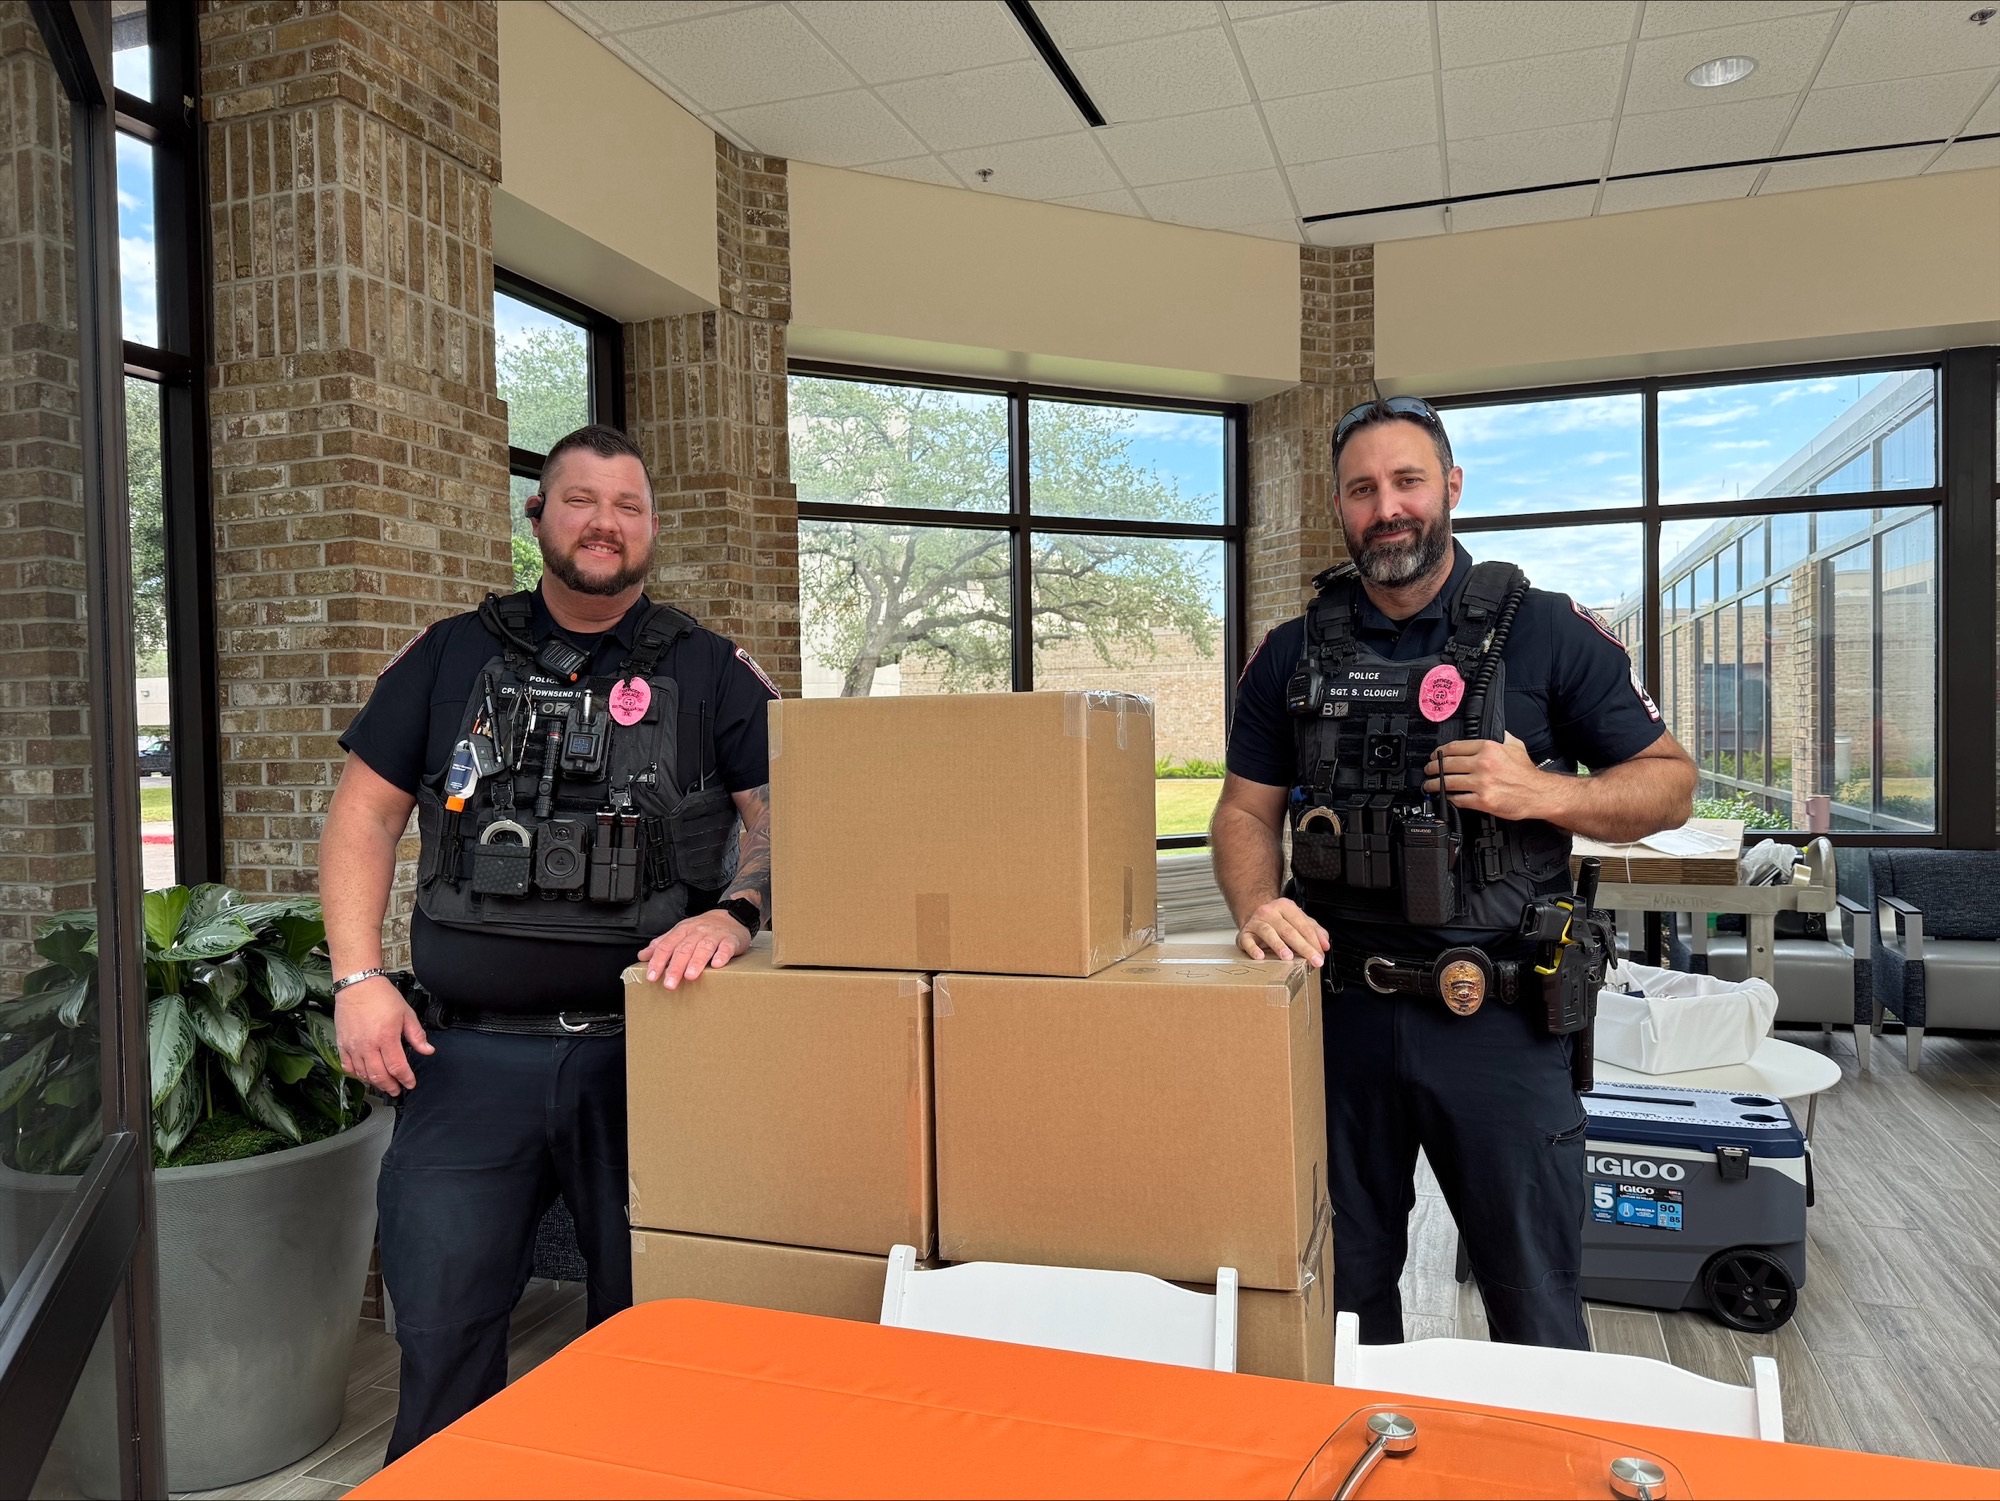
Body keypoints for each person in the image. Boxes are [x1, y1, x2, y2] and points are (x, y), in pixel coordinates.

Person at [319, 424, 781, 1458]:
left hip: (653, 1053)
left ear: (652, 528)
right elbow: (363, 817)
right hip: (466, 1058)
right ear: (538, 518)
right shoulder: (450, 655)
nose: (604, 522)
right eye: (579, 499)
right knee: (441, 1330)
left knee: (653, 1335)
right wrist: (355, 978)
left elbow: (781, 814)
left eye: (627, 504)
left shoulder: (709, 671)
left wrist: (734, 911)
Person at [1211, 396, 1695, 1351]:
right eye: (1363, 490)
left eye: (1407, 481)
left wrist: (1542, 791)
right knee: (1340, 1301)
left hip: (1501, 1020)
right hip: (1337, 1010)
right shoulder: (1292, 652)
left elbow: (1669, 785)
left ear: (1451, 487)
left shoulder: (1548, 630)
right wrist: (1258, 901)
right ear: (1340, 506)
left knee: (1535, 1303)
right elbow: (1242, 809)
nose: (1387, 507)